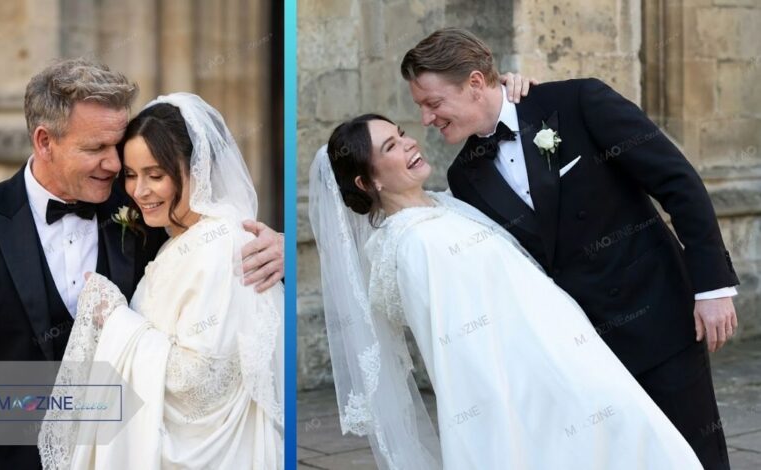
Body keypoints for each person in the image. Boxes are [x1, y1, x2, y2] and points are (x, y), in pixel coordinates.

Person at [399, 28, 738, 470]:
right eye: (421, 107)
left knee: (695, 457)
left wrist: (711, 287)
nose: (426, 118)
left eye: (432, 103)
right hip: (579, 354)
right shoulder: (465, 178)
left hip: (659, 320)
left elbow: (677, 182)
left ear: (477, 83)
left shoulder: (577, 102)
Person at [309, 114, 704, 469]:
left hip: (572, 365)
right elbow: (461, 352)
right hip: (540, 389)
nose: (409, 142)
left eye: (401, 134)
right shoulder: (416, 243)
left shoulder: (446, 207)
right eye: (390, 147)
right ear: (368, 181)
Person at [0, 58, 283, 469]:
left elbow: (210, 237)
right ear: (44, 141)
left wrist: (277, 247)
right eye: (96, 148)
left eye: (116, 147)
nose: (113, 165)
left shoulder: (146, 203)